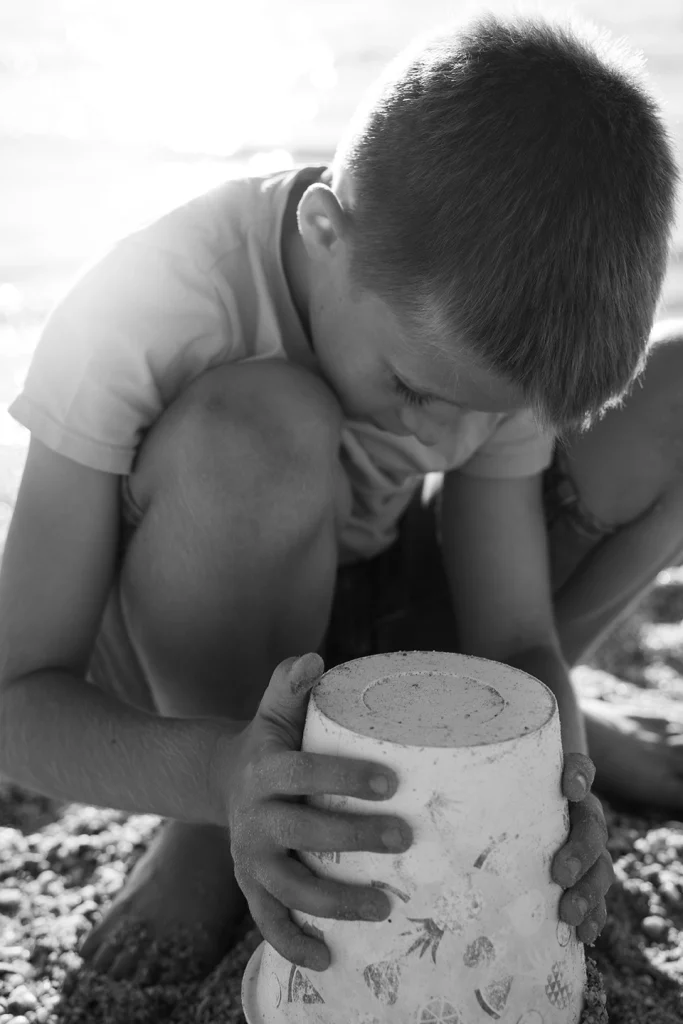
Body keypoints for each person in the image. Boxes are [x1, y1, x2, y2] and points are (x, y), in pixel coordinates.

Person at [0, 9, 680, 983]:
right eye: (412, 391)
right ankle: (223, 816)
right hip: (193, 658)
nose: (440, 443)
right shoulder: (149, 306)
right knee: (267, 426)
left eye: (480, 416)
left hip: (382, 599)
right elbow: (17, 700)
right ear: (325, 230)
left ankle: (493, 736)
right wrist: (217, 771)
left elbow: (511, 626)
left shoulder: (475, 348)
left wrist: (553, 778)